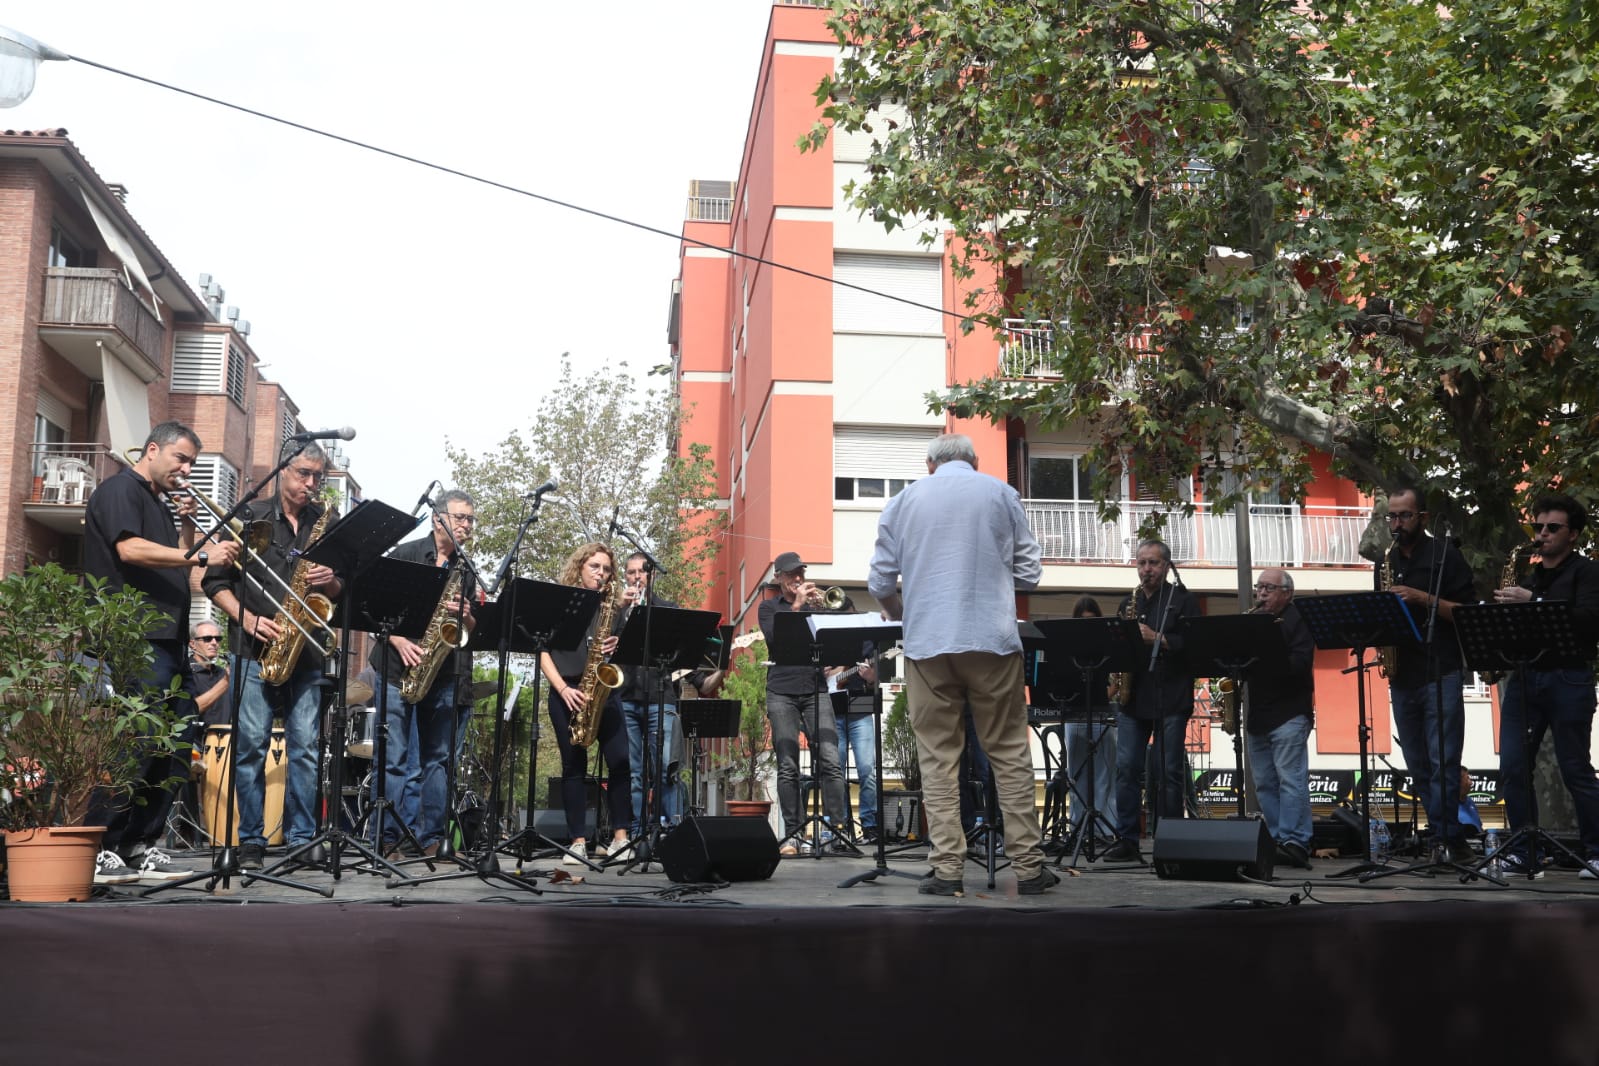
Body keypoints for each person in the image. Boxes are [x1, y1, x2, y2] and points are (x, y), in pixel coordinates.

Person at [867, 433, 1056, 896]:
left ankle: (947, 868)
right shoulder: (1000, 493)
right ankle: (1029, 868)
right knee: (1009, 753)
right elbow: (1030, 573)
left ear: (930, 464)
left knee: (937, 758)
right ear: (974, 461)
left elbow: (878, 581)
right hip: (991, 638)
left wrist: (901, 612)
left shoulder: (904, 500)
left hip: (929, 643)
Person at [83, 420, 240, 883]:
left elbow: (178, 561)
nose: (187, 469)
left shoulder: (157, 502)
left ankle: (139, 841)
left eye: (192, 461)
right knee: (135, 744)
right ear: (153, 449)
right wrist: (202, 556)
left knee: (171, 746)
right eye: (182, 458)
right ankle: (102, 842)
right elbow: (130, 550)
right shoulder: (120, 490)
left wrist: (188, 530)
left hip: (168, 639)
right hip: (136, 638)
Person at [203, 442, 342, 871]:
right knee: (250, 748)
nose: (311, 484)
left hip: (306, 652)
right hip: (251, 648)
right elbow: (214, 582)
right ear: (283, 470)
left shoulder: (327, 523)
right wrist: (246, 619)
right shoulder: (250, 516)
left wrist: (332, 579)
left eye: (318, 476)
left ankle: (302, 839)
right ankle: (251, 842)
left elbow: (343, 592)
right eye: (304, 474)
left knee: (305, 748)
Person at [1490, 492, 1599, 879]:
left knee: (1575, 769)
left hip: (1569, 676)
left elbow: (1589, 620)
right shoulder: (1530, 575)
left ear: (1573, 534)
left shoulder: (1586, 572)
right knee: (1513, 767)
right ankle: (1524, 853)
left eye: (1553, 527)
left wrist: (1532, 600)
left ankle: (1597, 851)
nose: (1542, 534)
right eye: (1538, 527)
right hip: (1525, 677)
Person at [366, 490, 479, 858]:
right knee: (395, 756)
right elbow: (371, 612)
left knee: (439, 759)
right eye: (460, 518)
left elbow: (473, 628)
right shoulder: (406, 555)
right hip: (398, 667)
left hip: (442, 672)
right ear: (438, 518)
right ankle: (387, 840)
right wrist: (399, 641)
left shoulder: (466, 567)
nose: (466, 526)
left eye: (470, 520)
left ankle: (433, 839)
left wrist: (466, 616)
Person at [1379, 484, 1476, 864]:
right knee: (1418, 763)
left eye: (1403, 515)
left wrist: (1423, 598)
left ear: (1422, 517)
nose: (1396, 523)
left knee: (1444, 761)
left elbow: (1467, 613)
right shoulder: (1386, 560)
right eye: (1391, 516)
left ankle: (1448, 839)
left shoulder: (1445, 555)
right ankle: (1443, 836)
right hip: (1403, 673)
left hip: (1442, 670)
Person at [1103, 539, 1201, 864]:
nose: (1147, 570)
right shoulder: (1127, 603)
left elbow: (1194, 645)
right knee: (1126, 768)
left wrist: (1158, 639)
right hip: (1134, 700)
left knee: (1168, 771)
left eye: (1154, 563)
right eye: (1142, 563)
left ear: (1166, 566)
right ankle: (1127, 839)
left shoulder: (1183, 600)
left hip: (1171, 696)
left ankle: (1170, 839)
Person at [538, 542, 634, 865]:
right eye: (595, 567)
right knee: (573, 766)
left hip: (603, 692)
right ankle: (578, 842)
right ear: (579, 567)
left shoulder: (612, 607)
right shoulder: (560, 604)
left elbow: (618, 654)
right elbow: (542, 652)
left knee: (620, 760)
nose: (601, 574)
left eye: (607, 569)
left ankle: (621, 838)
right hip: (568, 691)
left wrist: (617, 644)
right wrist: (564, 689)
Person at [758, 551, 850, 855]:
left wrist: (824, 609)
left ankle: (838, 831)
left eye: (801, 573)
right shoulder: (768, 608)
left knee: (830, 759)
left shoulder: (815, 606)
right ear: (780, 577)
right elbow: (774, 640)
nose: (798, 579)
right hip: (781, 690)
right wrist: (797, 607)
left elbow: (841, 636)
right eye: (792, 574)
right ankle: (794, 834)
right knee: (787, 764)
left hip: (815, 688)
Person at [1246, 568, 1316, 869]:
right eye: (1259, 587)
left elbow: (1300, 662)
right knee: (1264, 783)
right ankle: (1276, 840)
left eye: (1268, 588)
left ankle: (1295, 841)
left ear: (1287, 593)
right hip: (1258, 714)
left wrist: (1265, 655)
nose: (1261, 593)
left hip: (1289, 712)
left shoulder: (1297, 618)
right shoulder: (1253, 620)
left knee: (1291, 780)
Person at [618, 552, 686, 834]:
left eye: (642, 572)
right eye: (631, 572)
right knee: (633, 774)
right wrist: (623, 612)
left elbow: (681, 653)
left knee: (666, 770)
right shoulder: (617, 612)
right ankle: (636, 832)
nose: (636, 577)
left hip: (661, 696)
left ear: (651, 575)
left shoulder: (667, 609)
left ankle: (670, 831)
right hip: (624, 698)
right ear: (626, 576)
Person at [1063, 596, 1117, 847]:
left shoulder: (1107, 646)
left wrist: (1114, 689)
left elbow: (1113, 682)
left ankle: (1104, 830)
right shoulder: (1068, 648)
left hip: (1100, 715)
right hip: (1075, 717)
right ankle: (1079, 828)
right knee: (1076, 775)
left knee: (1104, 776)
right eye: (1083, 622)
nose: (1088, 626)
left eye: (1092, 622)